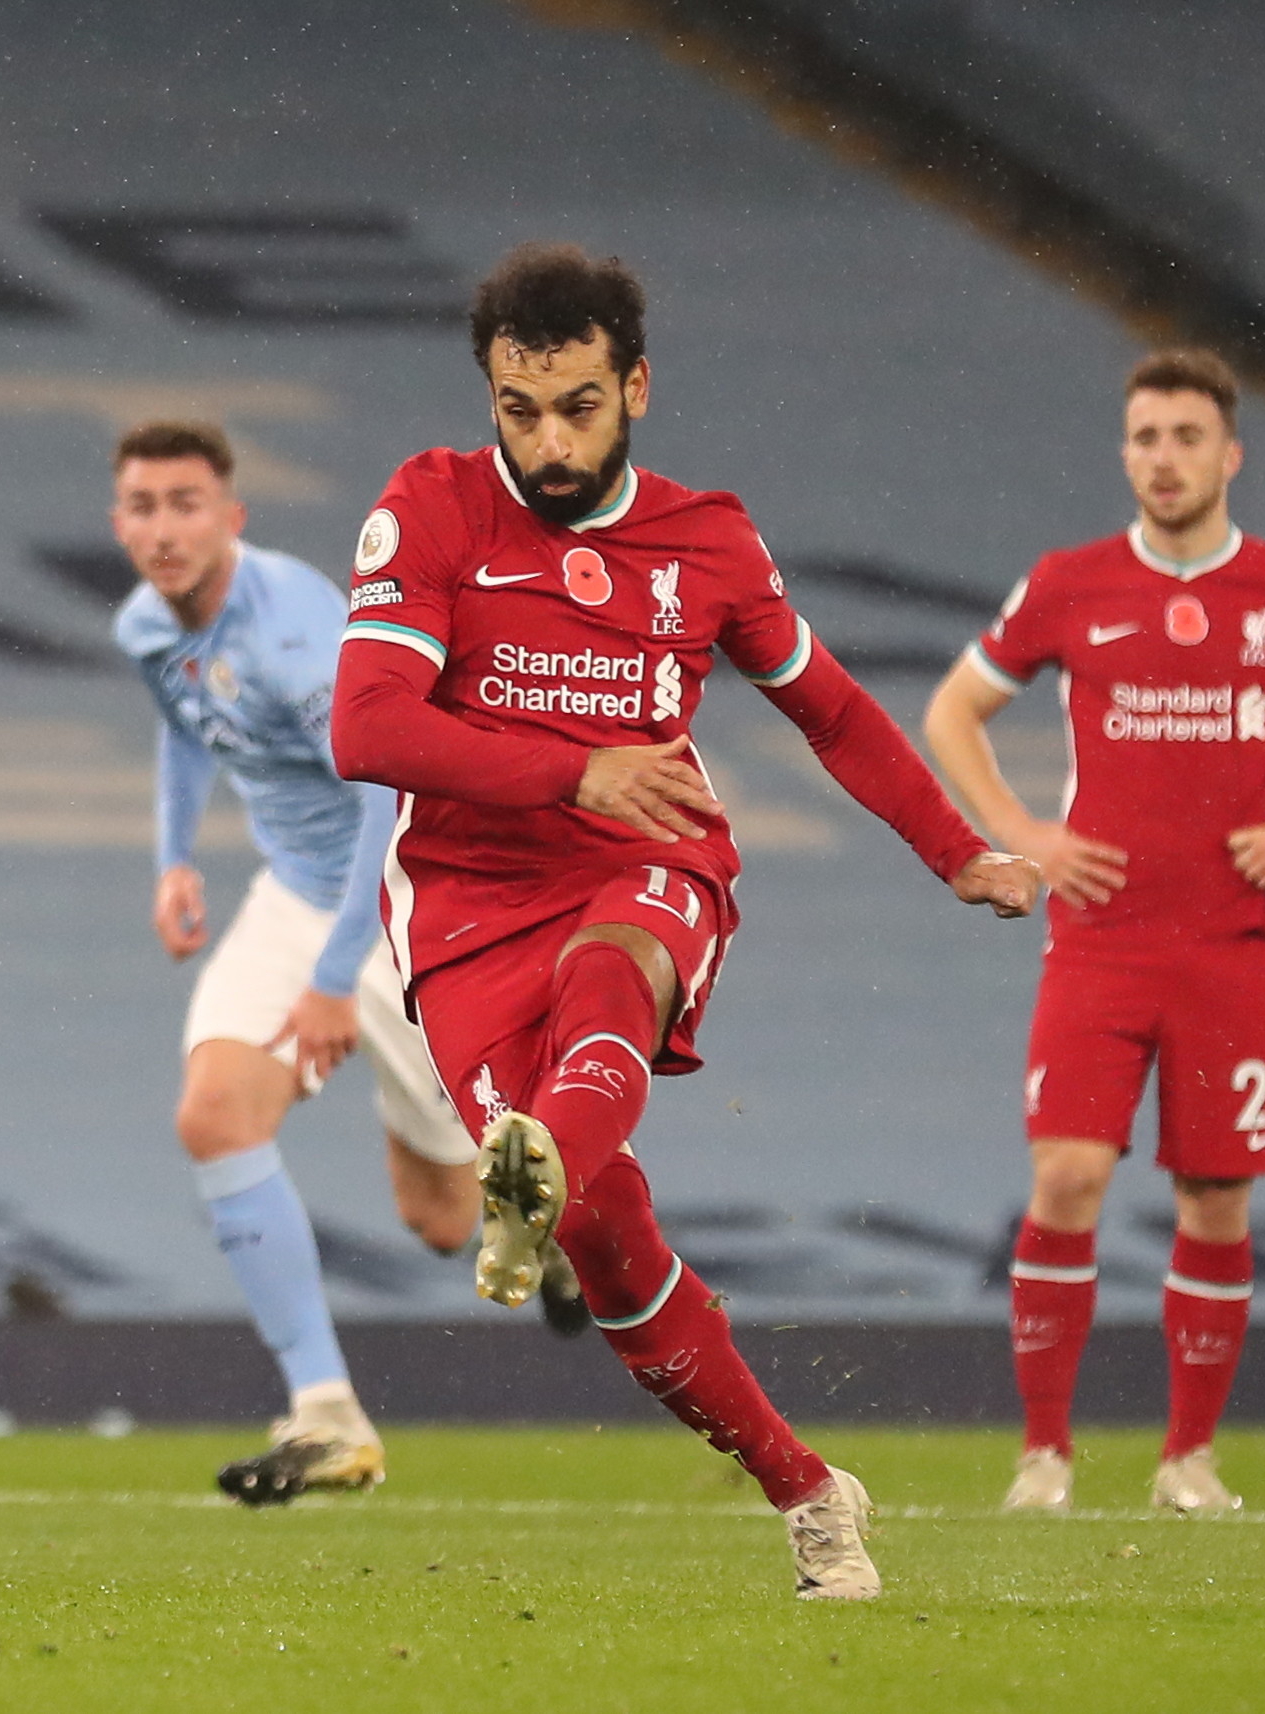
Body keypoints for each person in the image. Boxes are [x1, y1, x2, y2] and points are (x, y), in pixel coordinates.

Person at [331, 242, 1040, 1601]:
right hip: (468, 908)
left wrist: (952, 851)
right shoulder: (427, 509)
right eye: (517, 407)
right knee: (603, 1238)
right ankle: (806, 1489)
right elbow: (366, 727)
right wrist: (569, 765)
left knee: (620, 960)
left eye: (577, 406)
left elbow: (828, 706)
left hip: (647, 858)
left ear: (635, 387)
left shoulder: (704, 539)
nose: (544, 440)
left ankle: (534, 1162)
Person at [921, 349, 1265, 1516]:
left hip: (1231, 943)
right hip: (1100, 937)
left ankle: (1186, 1459)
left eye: (1183, 436)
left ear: (1228, 455)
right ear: (1123, 453)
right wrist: (1022, 830)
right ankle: (1044, 1453)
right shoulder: (1071, 584)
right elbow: (951, 708)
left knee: (1214, 1194)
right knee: (1065, 1174)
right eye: (1143, 437)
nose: (1161, 458)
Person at [110, 420, 558, 1510]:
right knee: (214, 1115)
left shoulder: (297, 639)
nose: (161, 529)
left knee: (444, 1220)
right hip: (299, 897)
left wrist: (336, 975)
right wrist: (173, 857)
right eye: (140, 505)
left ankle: (566, 1229)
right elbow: (183, 721)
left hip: (408, 894)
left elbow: (384, 793)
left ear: (231, 517)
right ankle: (327, 1415)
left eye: (184, 503)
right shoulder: (142, 623)